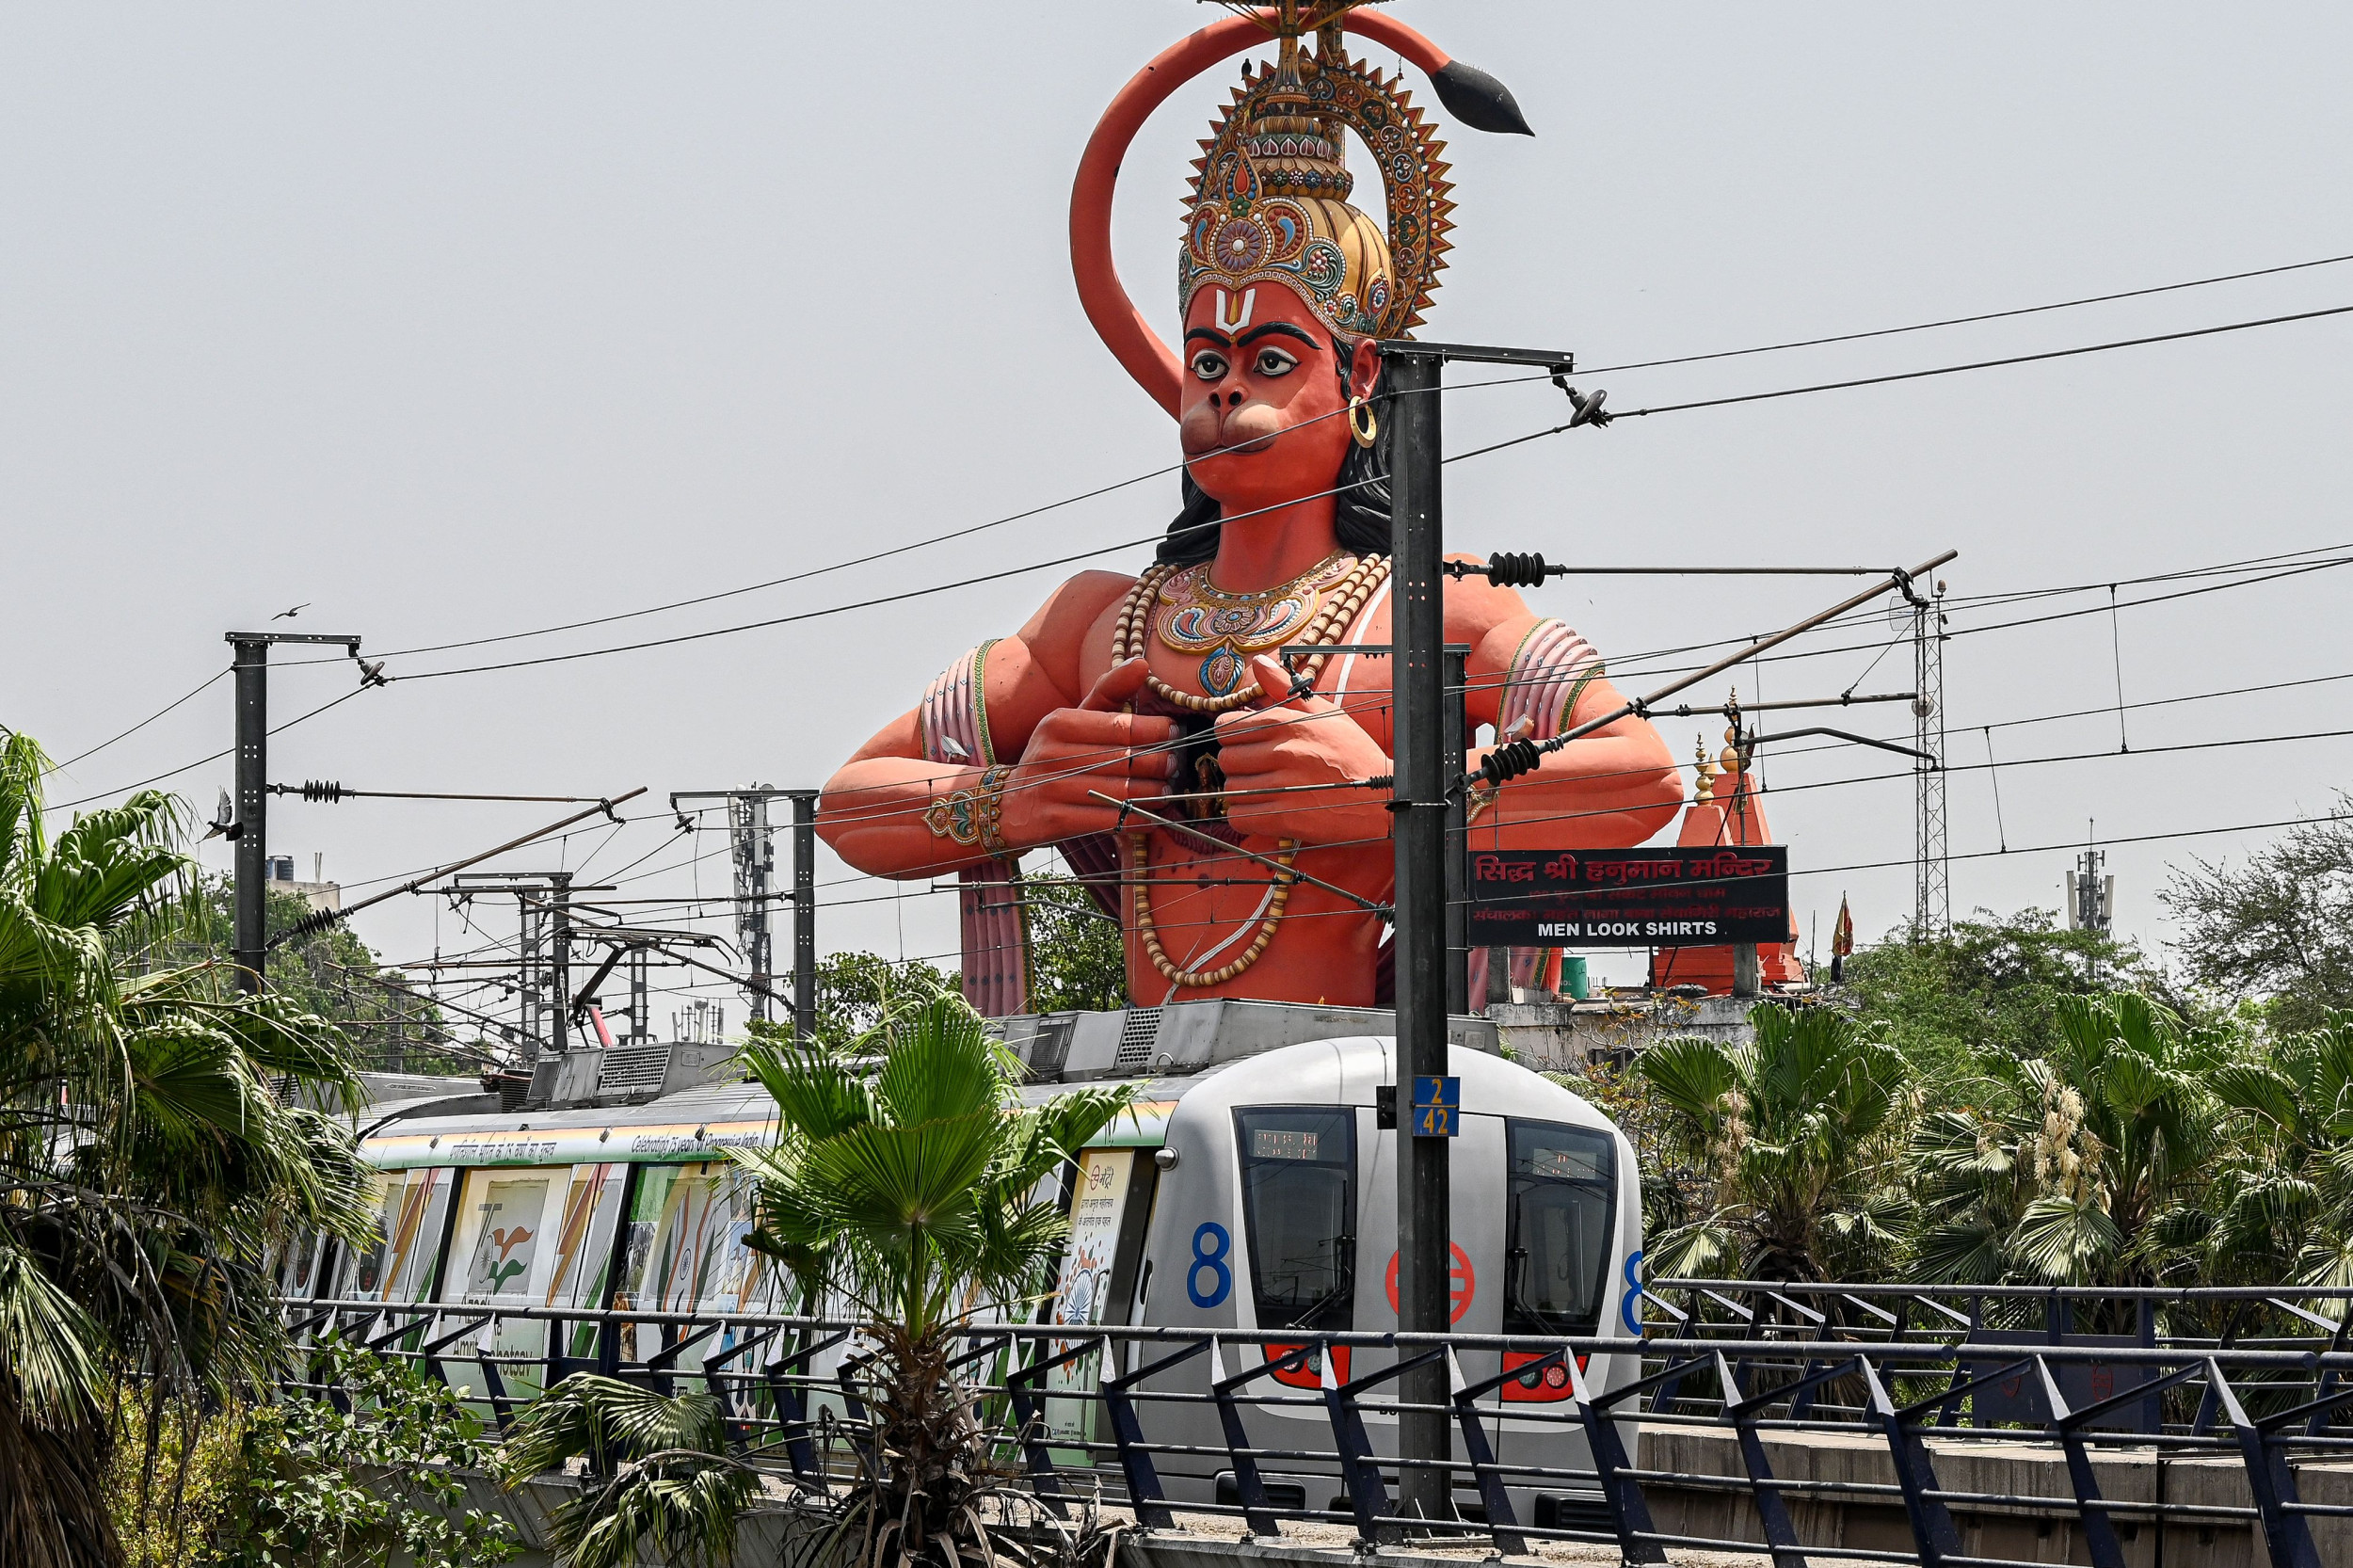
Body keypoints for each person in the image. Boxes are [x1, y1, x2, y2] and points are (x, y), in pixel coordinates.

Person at [822, 7, 1682, 1011]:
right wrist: (1014, 802)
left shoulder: (1435, 609)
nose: (1226, 390)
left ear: (1363, 375)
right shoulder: (1100, 624)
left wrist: (1387, 799)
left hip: (1358, 1077)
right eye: (1206, 362)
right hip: (1134, 1081)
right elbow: (848, 804)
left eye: (1271, 360)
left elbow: (1642, 775)